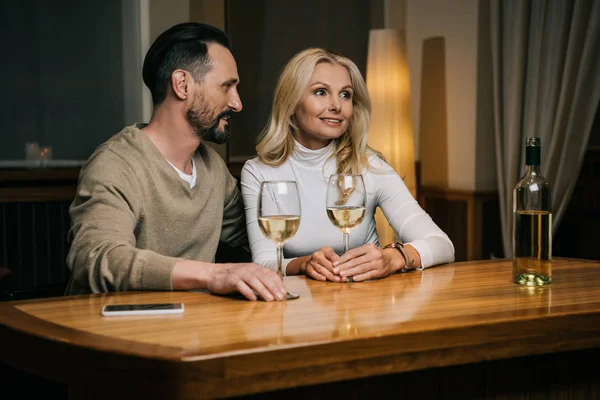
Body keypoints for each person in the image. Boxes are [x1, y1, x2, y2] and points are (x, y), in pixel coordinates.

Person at [65, 23, 287, 301]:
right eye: (226, 87)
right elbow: (97, 258)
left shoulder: (212, 167)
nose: (237, 103)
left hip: (189, 331)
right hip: (113, 333)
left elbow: (262, 232)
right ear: (182, 84)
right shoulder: (116, 165)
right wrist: (214, 274)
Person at [241, 48, 454, 283]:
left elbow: (442, 244)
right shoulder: (258, 172)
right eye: (321, 92)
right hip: (297, 311)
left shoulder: (369, 166)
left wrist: (394, 258)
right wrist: (305, 263)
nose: (336, 105)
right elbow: (264, 262)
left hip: (366, 305)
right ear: (290, 103)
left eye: (345, 95)